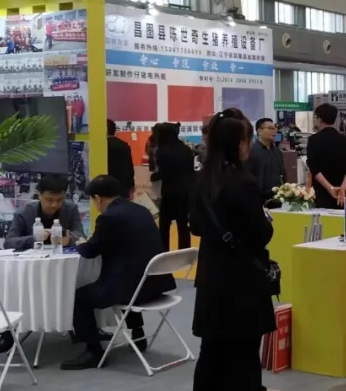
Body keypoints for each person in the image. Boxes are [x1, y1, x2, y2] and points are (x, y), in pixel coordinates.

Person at [190, 108, 276, 390]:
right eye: (247, 140)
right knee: (244, 355)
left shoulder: (202, 179)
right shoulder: (242, 182)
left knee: (211, 353)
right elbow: (262, 234)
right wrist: (265, 220)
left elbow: (196, 226)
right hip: (242, 281)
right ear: (238, 144)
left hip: (212, 277)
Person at [61, 175, 176, 370]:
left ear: (98, 198)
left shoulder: (108, 217)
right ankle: (138, 335)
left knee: (80, 298)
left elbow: (91, 251)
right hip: (156, 285)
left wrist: (80, 244)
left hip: (134, 291)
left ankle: (93, 352)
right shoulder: (141, 210)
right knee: (128, 278)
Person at [0, 175, 86, 355]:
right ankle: (8, 333)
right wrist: (33, 238)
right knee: (11, 286)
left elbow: (79, 233)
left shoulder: (70, 208)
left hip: (61, 268)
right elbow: (9, 242)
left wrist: (69, 240)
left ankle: (81, 327)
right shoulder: (24, 213)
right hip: (29, 270)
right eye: (49, 200)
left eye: (59, 200)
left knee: (81, 284)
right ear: (39, 194)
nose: (55, 205)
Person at [151, 123, 195, 251]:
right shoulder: (185, 149)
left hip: (168, 193)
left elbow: (163, 173)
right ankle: (185, 252)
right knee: (183, 226)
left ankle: (164, 252)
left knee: (164, 225)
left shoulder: (162, 151)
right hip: (185, 193)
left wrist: (154, 176)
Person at [306, 103, 346, 209]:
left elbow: (314, 168)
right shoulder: (345, 140)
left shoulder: (314, 140)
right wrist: (342, 188)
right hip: (341, 195)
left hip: (321, 193)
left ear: (320, 119)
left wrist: (330, 188)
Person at [246, 118, 286, 204]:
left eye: (275, 128)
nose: (274, 131)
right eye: (270, 128)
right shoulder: (251, 151)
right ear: (259, 131)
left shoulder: (277, 151)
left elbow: (282, 173)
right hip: (258, 199)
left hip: (278, 197)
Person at [106, 119, 135, 198]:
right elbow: (129, 167)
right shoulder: (124, 145)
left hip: (106, 185)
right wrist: (131, 184)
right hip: (122, 185)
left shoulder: (102, 146)